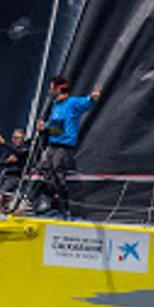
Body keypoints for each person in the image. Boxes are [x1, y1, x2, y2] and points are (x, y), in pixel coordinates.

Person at [35, 75, 101, 218]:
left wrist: (93, 98)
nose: (50, 91)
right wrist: (44, 126)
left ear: (58, 88)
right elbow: (57, 125)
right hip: (52, 145)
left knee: (58, 170)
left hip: (64, 147)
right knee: (44, 167)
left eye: (52, 87)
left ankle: (64, 207)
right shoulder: (55, 105)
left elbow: (86, 104)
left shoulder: (72, 103)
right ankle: (49, 202)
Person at [0, 128, 30, 215]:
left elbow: (20, 153)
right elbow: (1, 162)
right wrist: (8, 161)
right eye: (15, 138)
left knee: (1, 196)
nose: (16, 140)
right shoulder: (9, 149)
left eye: (19, 138)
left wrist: (3, 142)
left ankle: (1, 214)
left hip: (15, 176)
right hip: (5, 174)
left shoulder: (26, 149)